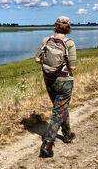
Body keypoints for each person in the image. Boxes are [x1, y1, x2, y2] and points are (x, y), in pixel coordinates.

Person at [35, 16, 77, 158]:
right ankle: (47, 143)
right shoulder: (69, 43)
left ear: (56, 26)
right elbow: (73, 66)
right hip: (64, 81)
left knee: (60, 107)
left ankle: (67, 134)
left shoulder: (46, 40)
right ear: (68, 27)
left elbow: (37, 59)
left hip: (49, 80)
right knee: (58, 110)